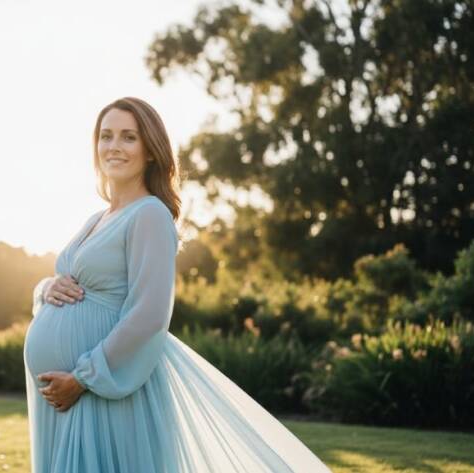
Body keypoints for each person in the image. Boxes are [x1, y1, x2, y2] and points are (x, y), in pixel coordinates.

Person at [23, 97, 332, 472]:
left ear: (150, 150)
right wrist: (45, 288)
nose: (114, 146)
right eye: (106, 136)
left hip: (101, 389)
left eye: (128, 137)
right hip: (67, 394)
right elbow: (69, 283)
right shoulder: (96, 218)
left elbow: (149, 314)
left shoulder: (150, 214)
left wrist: (83, 377)